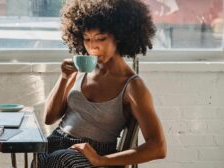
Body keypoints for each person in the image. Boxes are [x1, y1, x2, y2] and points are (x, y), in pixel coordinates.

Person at [36, 0, 167, 167]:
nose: (93, 47)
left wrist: (101, 160)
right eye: (87, 39)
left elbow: (158, 147)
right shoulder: (79, 70)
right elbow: (49, 118)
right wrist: (63, 78)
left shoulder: (132, 86)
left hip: (92, 152)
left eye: (101, 38)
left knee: (62, 159)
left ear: (119, 36)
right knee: (33, 150)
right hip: (56, 142)